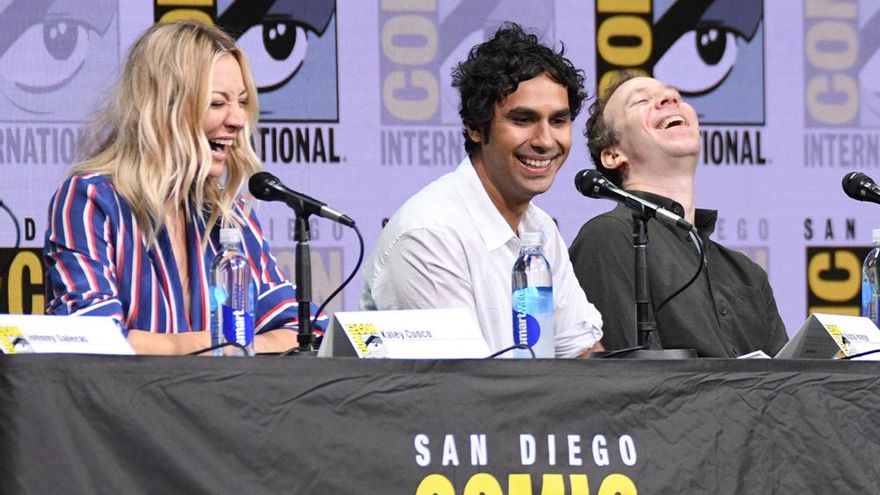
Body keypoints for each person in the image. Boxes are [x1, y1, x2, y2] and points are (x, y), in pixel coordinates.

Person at [43, 20, 324, 355]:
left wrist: (213, 346)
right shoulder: (91, 201)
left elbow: (305, 331)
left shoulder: (228, 215)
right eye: (217, 103)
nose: (238, 120)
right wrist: (224, 343)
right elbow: (92, 338)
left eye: (242, 102)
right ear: (162, 108)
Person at [360, 23, 603, 358]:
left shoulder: (541, 229)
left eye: (558, 121)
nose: (546, 141)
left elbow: (582, 352)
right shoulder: (429, 233)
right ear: (475, 127)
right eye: (523, 120)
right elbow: (462, 381)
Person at [569, 73, 787, 357]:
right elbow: (627, 377)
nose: (670, 98)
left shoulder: (747, 273)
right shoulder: (609, 236)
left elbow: (788, 379)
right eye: (641, 101)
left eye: (677, 97)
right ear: (613, 155)